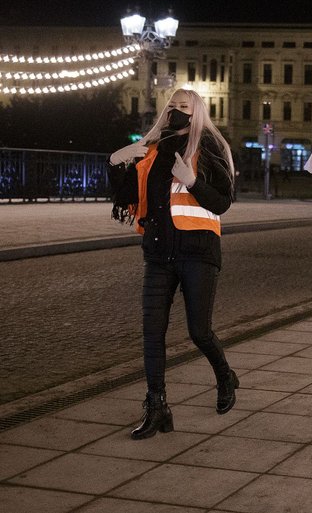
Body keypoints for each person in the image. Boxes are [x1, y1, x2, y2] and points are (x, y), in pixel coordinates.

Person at [108, 88, 239, 440]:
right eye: (173, 105)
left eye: (185, 106)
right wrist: (116, 162)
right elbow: (125, 198)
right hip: (158, 252)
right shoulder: (153, 148)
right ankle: (157, 407)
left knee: (199, 331)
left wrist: (192, 181)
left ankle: (225, 375)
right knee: (152, 333)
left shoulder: (209, 145)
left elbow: (224, 201)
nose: (177, 110)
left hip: (198, 251)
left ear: (197, 112)